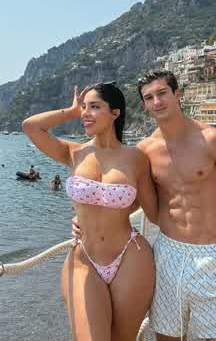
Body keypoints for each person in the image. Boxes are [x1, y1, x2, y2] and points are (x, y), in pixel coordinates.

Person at [22, 82, 158, 341]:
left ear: (115, 113)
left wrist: (210, 224)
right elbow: (31, 126)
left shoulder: (136, 158)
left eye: (94, 107)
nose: (86, 113)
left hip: (130, 256)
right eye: (85, 107)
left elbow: (154, 212)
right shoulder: (73, 152)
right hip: (84, 258)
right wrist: (72, 111)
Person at [136, 70, 216, 341]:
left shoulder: (213, 140)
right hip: (166, 254)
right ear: (144, 105)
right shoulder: (145, 150)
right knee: (167, 337)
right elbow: (145, 206)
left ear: (177, 94)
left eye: (162, 93)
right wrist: (82, 223)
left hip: (213, 257)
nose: (157, 102)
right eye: (149, 97)